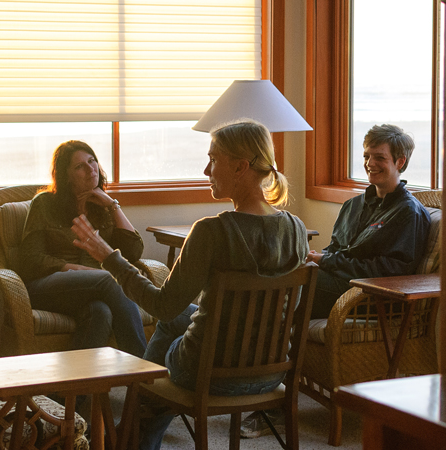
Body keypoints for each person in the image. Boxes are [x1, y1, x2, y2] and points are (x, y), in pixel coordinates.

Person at [71, 119, 310, 450]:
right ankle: (135, 434)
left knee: (170, 322)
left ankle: (134, 435)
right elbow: (290, 307)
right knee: (184, 317)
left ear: (241, 166)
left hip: (206, 373)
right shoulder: (297, 229)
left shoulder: (211, 231)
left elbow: (162, 306)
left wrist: (110, 258)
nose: (205, 169)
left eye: (214, 159)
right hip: (270, 374)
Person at [240, 123, 432, 438]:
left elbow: (392, 270)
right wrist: (317, 258)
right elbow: (335, 249)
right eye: (367, 155)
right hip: (332, 284)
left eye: (379, 158)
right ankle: (257, 389)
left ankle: (268, 403)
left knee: (282, 296)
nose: (370, 163)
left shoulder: (408, 213)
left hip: (367, 299)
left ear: (400, 162)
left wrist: (327, 261)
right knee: (270, 283)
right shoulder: (353, 205)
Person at [19, 140, 147, 358]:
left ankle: (75, 390)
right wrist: (77, 269)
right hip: (46, 285)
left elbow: (134, 251)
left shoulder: (101, 206)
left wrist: (112, 205)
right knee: (109, 279)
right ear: (66, 175)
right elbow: (30, 259)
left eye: (92, 161)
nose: (90, 169)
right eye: (80, 166)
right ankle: (145, 372)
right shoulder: (45, 204)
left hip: (91, 289)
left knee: (100, 312)